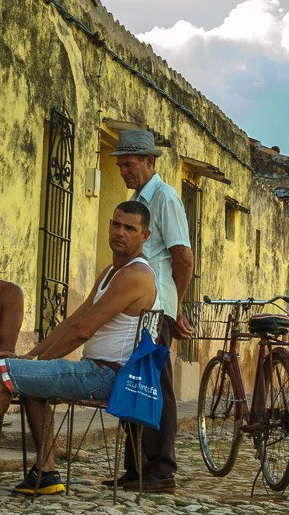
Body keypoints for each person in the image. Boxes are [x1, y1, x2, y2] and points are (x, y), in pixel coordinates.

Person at [0, 201, 158, 497]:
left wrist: (34, 362)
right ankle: (46, 473)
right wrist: (33, 358)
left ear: (145, 235)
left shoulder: (135, 274)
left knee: (3, 373)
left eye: (130, 228)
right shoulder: (112, 271)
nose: (120, 232)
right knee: (29, 379)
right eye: (116, 224)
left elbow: (83, 330)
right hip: (95, 369)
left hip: (106, 375)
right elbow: (74, 319)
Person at [109, 129, 192, 493]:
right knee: (136, 381)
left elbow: (183, 257)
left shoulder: (165, 198)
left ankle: (162, 468)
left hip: (156, 308)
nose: (125, 170)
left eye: (130, 164)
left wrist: (176, 305)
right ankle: (137, 468)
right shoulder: (139, 199)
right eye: (121, 165)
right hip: (140, 306)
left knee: (157, 386)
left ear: (149, 161)